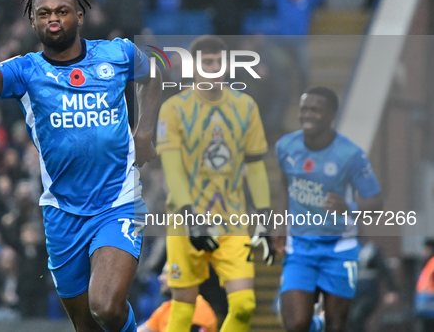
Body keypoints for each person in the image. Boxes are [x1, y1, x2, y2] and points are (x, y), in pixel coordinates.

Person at [0, 0, 162, 332]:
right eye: (44, 14)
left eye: (61, 11)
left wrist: (145, 130)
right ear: (33, 22)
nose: (53, 18)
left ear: (80, 16)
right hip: (62, 213)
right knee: (86, 324)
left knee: (106, 306)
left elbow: (151, 72)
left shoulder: (116, 54)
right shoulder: (25, 71)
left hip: (118, 202)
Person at [156, 35, 274, 332]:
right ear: (194, 66)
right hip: (185, 221)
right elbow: (172, 168)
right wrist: (188, 214)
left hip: (233, 221)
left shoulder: (246, 107)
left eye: (218, 62)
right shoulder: (173, 108)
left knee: (245, 305)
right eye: (206, 62)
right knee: (182, 309)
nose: (213, 68)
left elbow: (256, 165)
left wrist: (264, 214)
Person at [273, 87, 382, 332]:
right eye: (304, 109)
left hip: (339, 249)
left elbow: (375, 202)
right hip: (300, 248)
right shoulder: (286, 146)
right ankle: (316, 325)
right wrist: (279, 225)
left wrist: (348, 207)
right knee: (296, 323)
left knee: (336, 325)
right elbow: (284, 185)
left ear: (332, 114)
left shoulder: (350, 154)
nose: (307, 115)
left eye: (315, 110)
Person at [138, 263, 217, 332]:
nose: (160, 278)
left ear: (180, 277)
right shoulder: (167, 307)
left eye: (166, 273)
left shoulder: (198, 308)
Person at [415, 238, 434, 331]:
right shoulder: (428, 264)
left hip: (430, 307)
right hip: (426, 308)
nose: (422, 252)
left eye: (424, 249)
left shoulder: (432, 263)